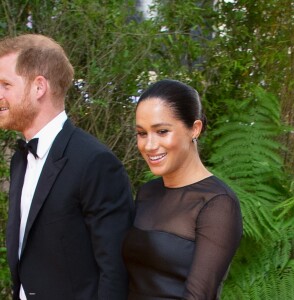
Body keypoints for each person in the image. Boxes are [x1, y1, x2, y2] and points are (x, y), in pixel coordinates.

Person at [0, 33, 134, 300]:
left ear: (39, 87)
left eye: (5, 84)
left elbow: (116, 272)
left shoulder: (95, 162)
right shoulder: (19, 160)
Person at [123, 79, 243, 299]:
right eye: (142, 133)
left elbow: (199, 295)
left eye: (162, 131)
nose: (149, 145)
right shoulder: (147, 192)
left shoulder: (217, 204)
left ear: (194, 129)